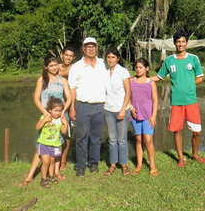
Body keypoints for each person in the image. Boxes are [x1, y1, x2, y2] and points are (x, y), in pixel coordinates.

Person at [152, 30, 205, 168]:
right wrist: (141, 80)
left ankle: (195, 155)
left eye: (183, 41)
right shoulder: (169, 61)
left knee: (197, 132)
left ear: (186, 43)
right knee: (177, 130)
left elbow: (200, 78)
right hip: (176, 102)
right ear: (175, 43)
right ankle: (181, 158)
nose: (181, 44)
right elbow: (158, 77)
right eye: (178, 41)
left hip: (191, 101)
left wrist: (189, 85)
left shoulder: (194, 59)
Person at [19, 54, 71, 187]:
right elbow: (36, 98)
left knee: (58, 143)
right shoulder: (42, 79)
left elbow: (69, 98)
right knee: (40, 146)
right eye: (51, 65)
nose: (54, 68)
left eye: (55, 65)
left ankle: (56, 172)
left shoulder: (62, 80)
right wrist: (45, 113)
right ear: (46, 67)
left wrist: (63, 112)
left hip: (60, 116)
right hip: (46, 117)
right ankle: (30, 175)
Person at [68, 37, 107, 177]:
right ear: (83, 49)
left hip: (101, 106)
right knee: (81, 138)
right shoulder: (77, 67)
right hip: (83, 106)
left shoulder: (104, 63)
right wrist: (72, 108)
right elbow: (72, 88)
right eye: (88, 46)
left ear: (97, 48)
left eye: (93, 46)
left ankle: (93, 163)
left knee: (97, 137)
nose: (91, 49)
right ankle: (80, 165)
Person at [103, 47, 131, 176]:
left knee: (122, 139)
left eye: (113, 57)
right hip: (108, 109)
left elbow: (128, 92)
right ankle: (113, 164)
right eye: (108, 57)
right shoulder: (105, 71)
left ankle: (124, 164)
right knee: (112, 139)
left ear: (118, 58)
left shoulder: (123, 72)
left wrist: (123, 110)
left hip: (121, 110)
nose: (110, 59)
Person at [130, 58, 158, 176]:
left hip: (148, 116)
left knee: (148, 140)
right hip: (135, 115)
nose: (138, 69)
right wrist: (131, 107)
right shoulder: (131, 80)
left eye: (141, 67)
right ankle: (139, 165)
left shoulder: (151, 82)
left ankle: (152, 165)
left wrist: (154, 116)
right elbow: (127, 96)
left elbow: (155, 100)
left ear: (147, 69)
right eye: (136, 67)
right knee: (138, 140)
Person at [36, 97, 69, 188]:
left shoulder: (60, 120)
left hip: (55, 144)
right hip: (44, 144)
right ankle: (43, 179)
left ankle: (51, 176)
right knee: (45, 162)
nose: (57, 113)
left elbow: (64, 131)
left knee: (52, 161)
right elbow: (37, 127)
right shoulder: (44, 117)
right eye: (55, 111)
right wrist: (44, 121)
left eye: (59, 111)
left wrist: (65, 124)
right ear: (50, 110)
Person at [58, 44, 76, 171]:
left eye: (70, 56)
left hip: (69, 105)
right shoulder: (55, 66)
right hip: (54, 106)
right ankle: (54, 159)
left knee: (67, 134)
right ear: (61, 55)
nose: (68, 58)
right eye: (66, 55)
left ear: (73, 58)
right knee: (53, 132)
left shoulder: (74, 69)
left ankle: (63, 160)